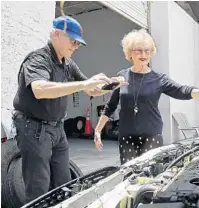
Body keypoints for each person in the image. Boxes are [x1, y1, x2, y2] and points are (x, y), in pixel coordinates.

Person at [12, 16, 127, 202]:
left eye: (79, 44)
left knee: (63, 183)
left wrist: (111, 84)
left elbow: (90, 88)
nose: (76, 47)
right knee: (38, 187)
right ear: (57, 35)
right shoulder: (38, 59)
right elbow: (40, 89)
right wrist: (84, 84)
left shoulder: (67, 63)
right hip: (34, 128)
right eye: (73, 41)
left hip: (57, 129)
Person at [93, 29, 199, 165]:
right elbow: (110, 106)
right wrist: (98, 130)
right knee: (129, 177)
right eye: (139, 50)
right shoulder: (122, 76)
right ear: (130, 52)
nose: (143, 54)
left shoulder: (159, 79)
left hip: (151, 136)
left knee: (151, 177)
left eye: (147, 51)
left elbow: (183, 90)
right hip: (127, 136)